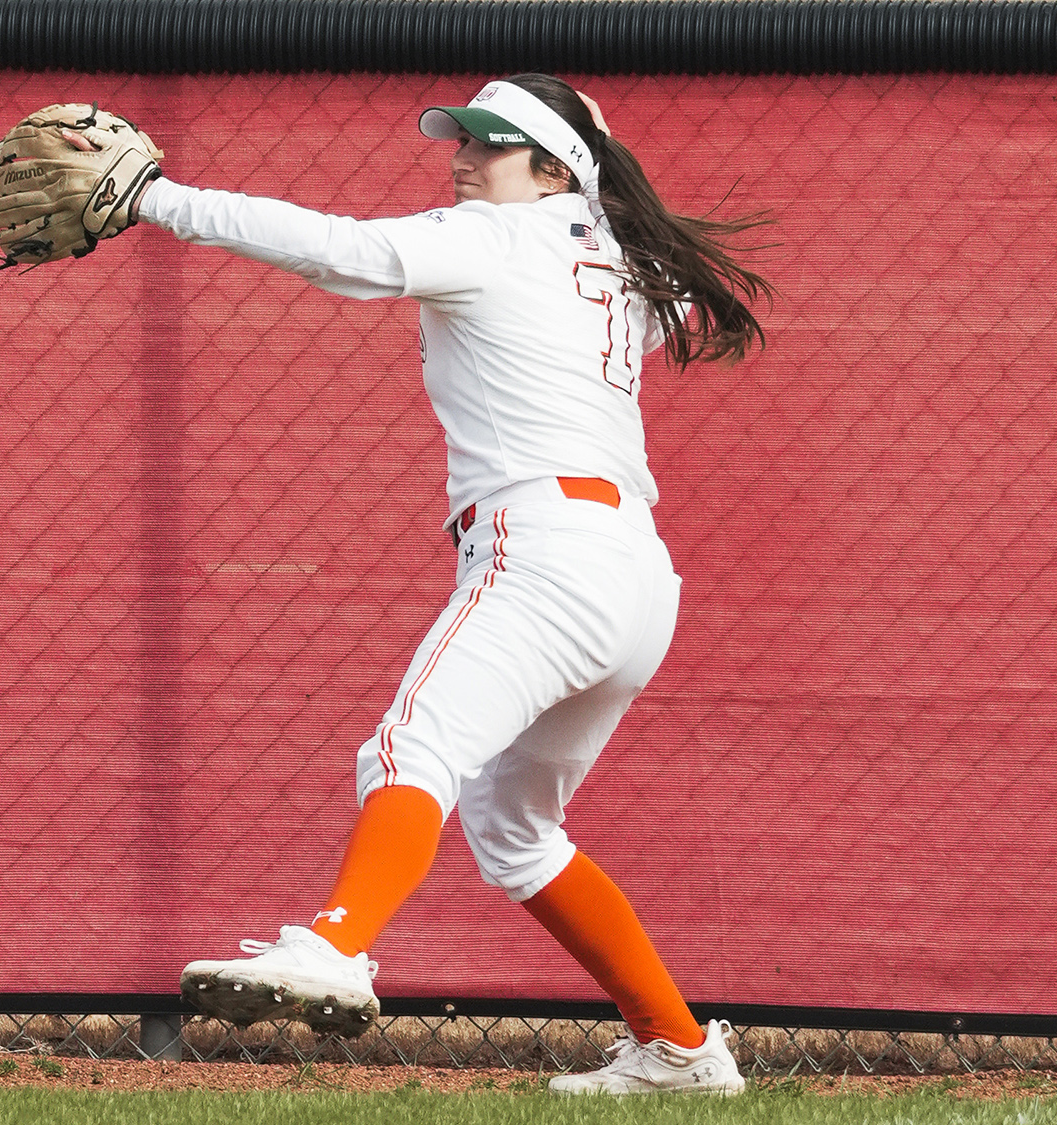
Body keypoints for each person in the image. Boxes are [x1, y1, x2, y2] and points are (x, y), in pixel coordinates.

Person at [142, 74, 771, 1095]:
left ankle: (336, 945)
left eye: (492, 144)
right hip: (633, 580)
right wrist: (592, 168)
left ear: (551, 168)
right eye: (462, 139)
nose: (464, 158)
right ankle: (677, 1050)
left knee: (408, 744)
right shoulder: (616, 259)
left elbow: (337, 249)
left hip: (544, 552)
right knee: (517, 833)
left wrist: (153, 199)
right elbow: (674, 294)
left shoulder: (496, 239)